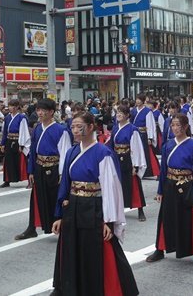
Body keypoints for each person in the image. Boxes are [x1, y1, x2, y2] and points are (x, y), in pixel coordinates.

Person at [50, 112, 138, 296]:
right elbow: (65, 184)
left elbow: (111, 189)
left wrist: (109, 221)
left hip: (94, 208)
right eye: (73, 126)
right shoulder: (71, 152)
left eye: (79, 126)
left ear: (91, 127)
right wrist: (59, 214)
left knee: (97, 249)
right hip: (73, 206)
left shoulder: (103, 153)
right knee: (71, 247)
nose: (75, 130)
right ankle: (67, 287)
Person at [146, 113, 193, 271]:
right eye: (173, 125)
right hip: (170, 185)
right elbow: (163, 170)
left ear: (185, 127)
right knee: (165, 217)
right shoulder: (168, 145)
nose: (175, 128)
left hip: (188, 187)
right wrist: (160, 190)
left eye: (178, 125)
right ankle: (160, 249)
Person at [16, 99, 71, 240]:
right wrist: (31, 170)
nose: (39, 113)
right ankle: (32, 227)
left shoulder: (61, 130)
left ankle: (62, 228)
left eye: (43, 110)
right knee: (35, 198)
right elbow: (33, 150)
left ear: (51, 112)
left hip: (54, 169)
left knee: (55, 199)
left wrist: (62, 174)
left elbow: (65, 153)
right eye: (38, 110)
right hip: (39, 167)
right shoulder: (38, 128)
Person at [108, 105, 148, 222]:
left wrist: (135, 165)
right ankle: (116, 210)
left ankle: (140, 210)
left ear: (127, 115)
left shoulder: (132, 129)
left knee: (134, 184)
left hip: (128, 158)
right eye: (117, 113)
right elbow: (111, 145)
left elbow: (136, 147)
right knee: (117, 184)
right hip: (117, 158)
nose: (118, 115)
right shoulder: (115, 128)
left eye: (121, 113)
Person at [0, 99, 31, 188]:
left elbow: (24, 131)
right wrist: (3, 144)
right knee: (8, 162)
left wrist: (22, 144)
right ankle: (7, 180)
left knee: (23, 161)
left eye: (12, 106)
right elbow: (5, 131)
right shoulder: (7, 117)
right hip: (9, 141)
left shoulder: (21, 117)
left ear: (17, 107)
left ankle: (30, 181)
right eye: (9, 106)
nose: (10, 108)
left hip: (18, 141)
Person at [130, 94, 159, 178]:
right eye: (137, 99)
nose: (137, 101)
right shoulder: (133, 111)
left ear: (143, 101)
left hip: (143, 134)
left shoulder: (147, 111)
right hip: (135, 134)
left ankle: (147, 171)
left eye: (139, 99)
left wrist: (150, 137)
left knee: (145, 152)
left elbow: (150, 125)